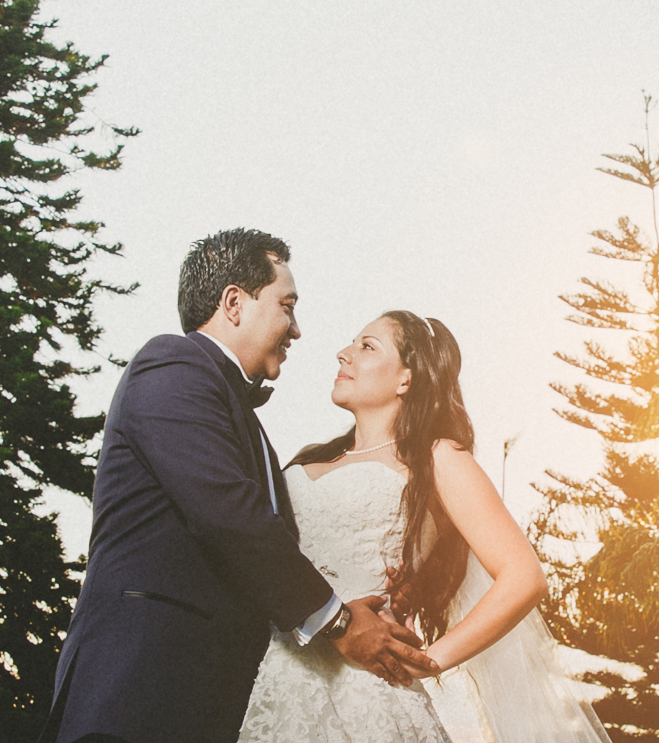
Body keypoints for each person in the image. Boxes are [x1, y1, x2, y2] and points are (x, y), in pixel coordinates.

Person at [41, 230, 438, 743]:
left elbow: (279, 543)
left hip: (212, 699)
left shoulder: (244, 423)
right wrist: (340, 622)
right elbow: (228, 514)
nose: (296, 330)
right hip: (141, 689)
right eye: (286, 306)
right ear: (233, 303)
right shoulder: (172, 365)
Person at [237, 311, 610, 743]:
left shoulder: (439, 458)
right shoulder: (309, 457)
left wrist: (429, 660)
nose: (345, 353)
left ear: (406, 380)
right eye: (351, 344)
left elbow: (524, 576)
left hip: (368, 696)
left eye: (367, 346)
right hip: (274, 680)